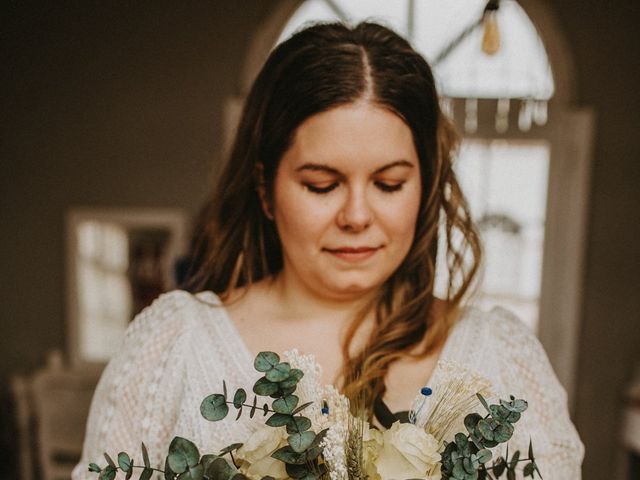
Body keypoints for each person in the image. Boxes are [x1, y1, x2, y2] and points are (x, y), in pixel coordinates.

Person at [72, 22, 583, 479]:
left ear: (425, 186)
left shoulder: (500, 354)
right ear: (266, 190)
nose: (357, 215)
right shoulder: (174, 346)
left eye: (388, 183)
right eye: (321, 185)